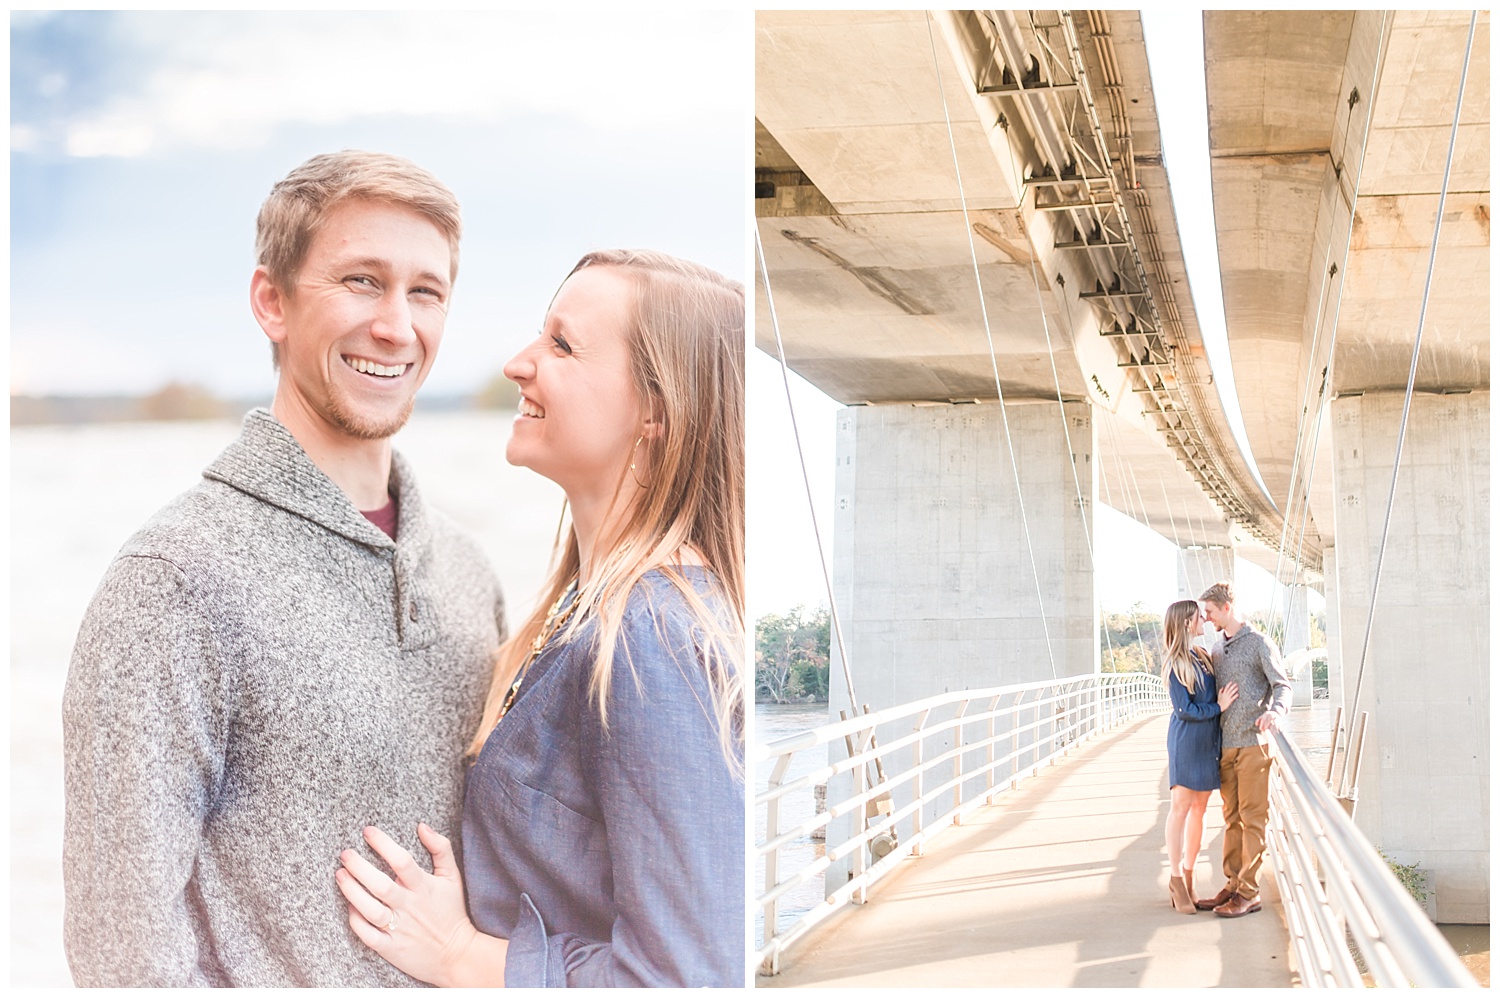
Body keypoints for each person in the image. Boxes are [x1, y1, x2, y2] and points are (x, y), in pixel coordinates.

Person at [61, 151, 506, 987]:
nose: (396, 327)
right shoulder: (171, 582)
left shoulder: (468, 571)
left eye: (425, 291)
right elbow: (123, 955)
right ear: (272, 301)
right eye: (361, 281)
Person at [335, 250, 746, 987]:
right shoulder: (587, 608)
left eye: (561, 345)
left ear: (655, 409)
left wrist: (465, 956)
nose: (519, 364)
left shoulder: (651, 637)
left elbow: (691, 976)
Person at [1195, 580, 1292, 917]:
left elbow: (1282, 685)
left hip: (1253, 745)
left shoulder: (1259, 643)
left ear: (1226, 608)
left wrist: (1275, 712)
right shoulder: (1218, 647)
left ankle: (1249, 893)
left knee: (1253, 820)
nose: (1206, 618)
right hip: (1227, 746)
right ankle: (1233, 884)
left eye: (1209, 611)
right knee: (1231, 819)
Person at [1161, 599, 1238, 914]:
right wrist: (1218, 707)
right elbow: (1185, 710)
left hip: (1208, 742)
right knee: (1180, 808)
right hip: (1186, 742)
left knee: (1200, 809)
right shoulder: (1174, 663)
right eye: (1198, 618)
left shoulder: (1203, 656)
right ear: (1185, 623)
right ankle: (1177, 879)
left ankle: (1190, 875)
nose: (1203, 621)